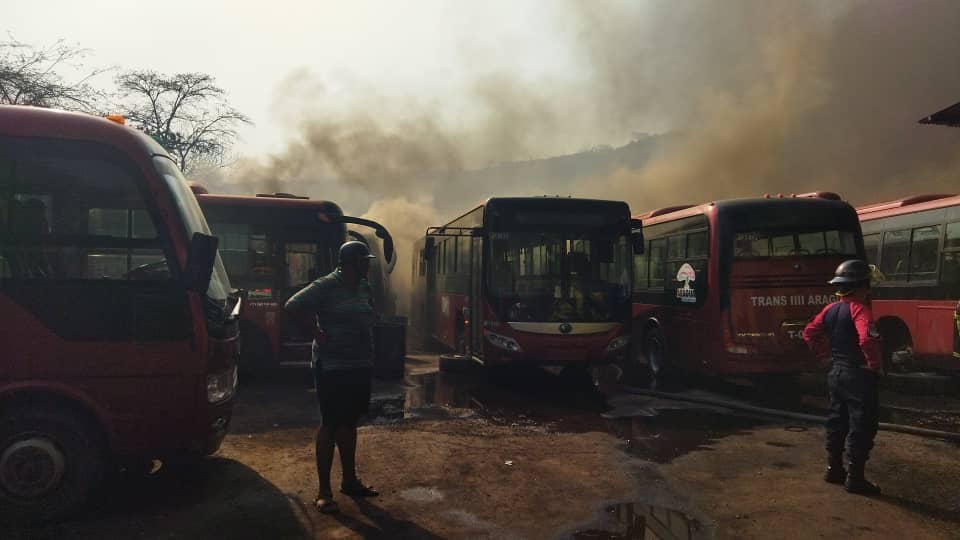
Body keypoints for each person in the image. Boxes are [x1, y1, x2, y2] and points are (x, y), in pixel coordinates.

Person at [284, 240, 380, 514]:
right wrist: (316, 333)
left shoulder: (364, 286)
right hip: (332, 366)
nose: (369, 265)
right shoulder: (326, 285)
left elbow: (368, 313)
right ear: (351, 263)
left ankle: (349, 481)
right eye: (365, 261)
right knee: (330, 424)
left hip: (359, 364)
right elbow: (292, 305)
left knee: (349, 424)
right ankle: (324, 491)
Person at [803, 259, 883, 496]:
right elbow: (867, 339)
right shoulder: (860, 309)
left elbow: (809, 333)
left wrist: (824, 356)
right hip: (858, 375)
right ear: (861, 285)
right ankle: (856, 478)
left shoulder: (831, 309)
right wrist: (875, 365)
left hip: (836, 373)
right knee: (862, 424)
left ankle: (834, 469)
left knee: (837, 421)